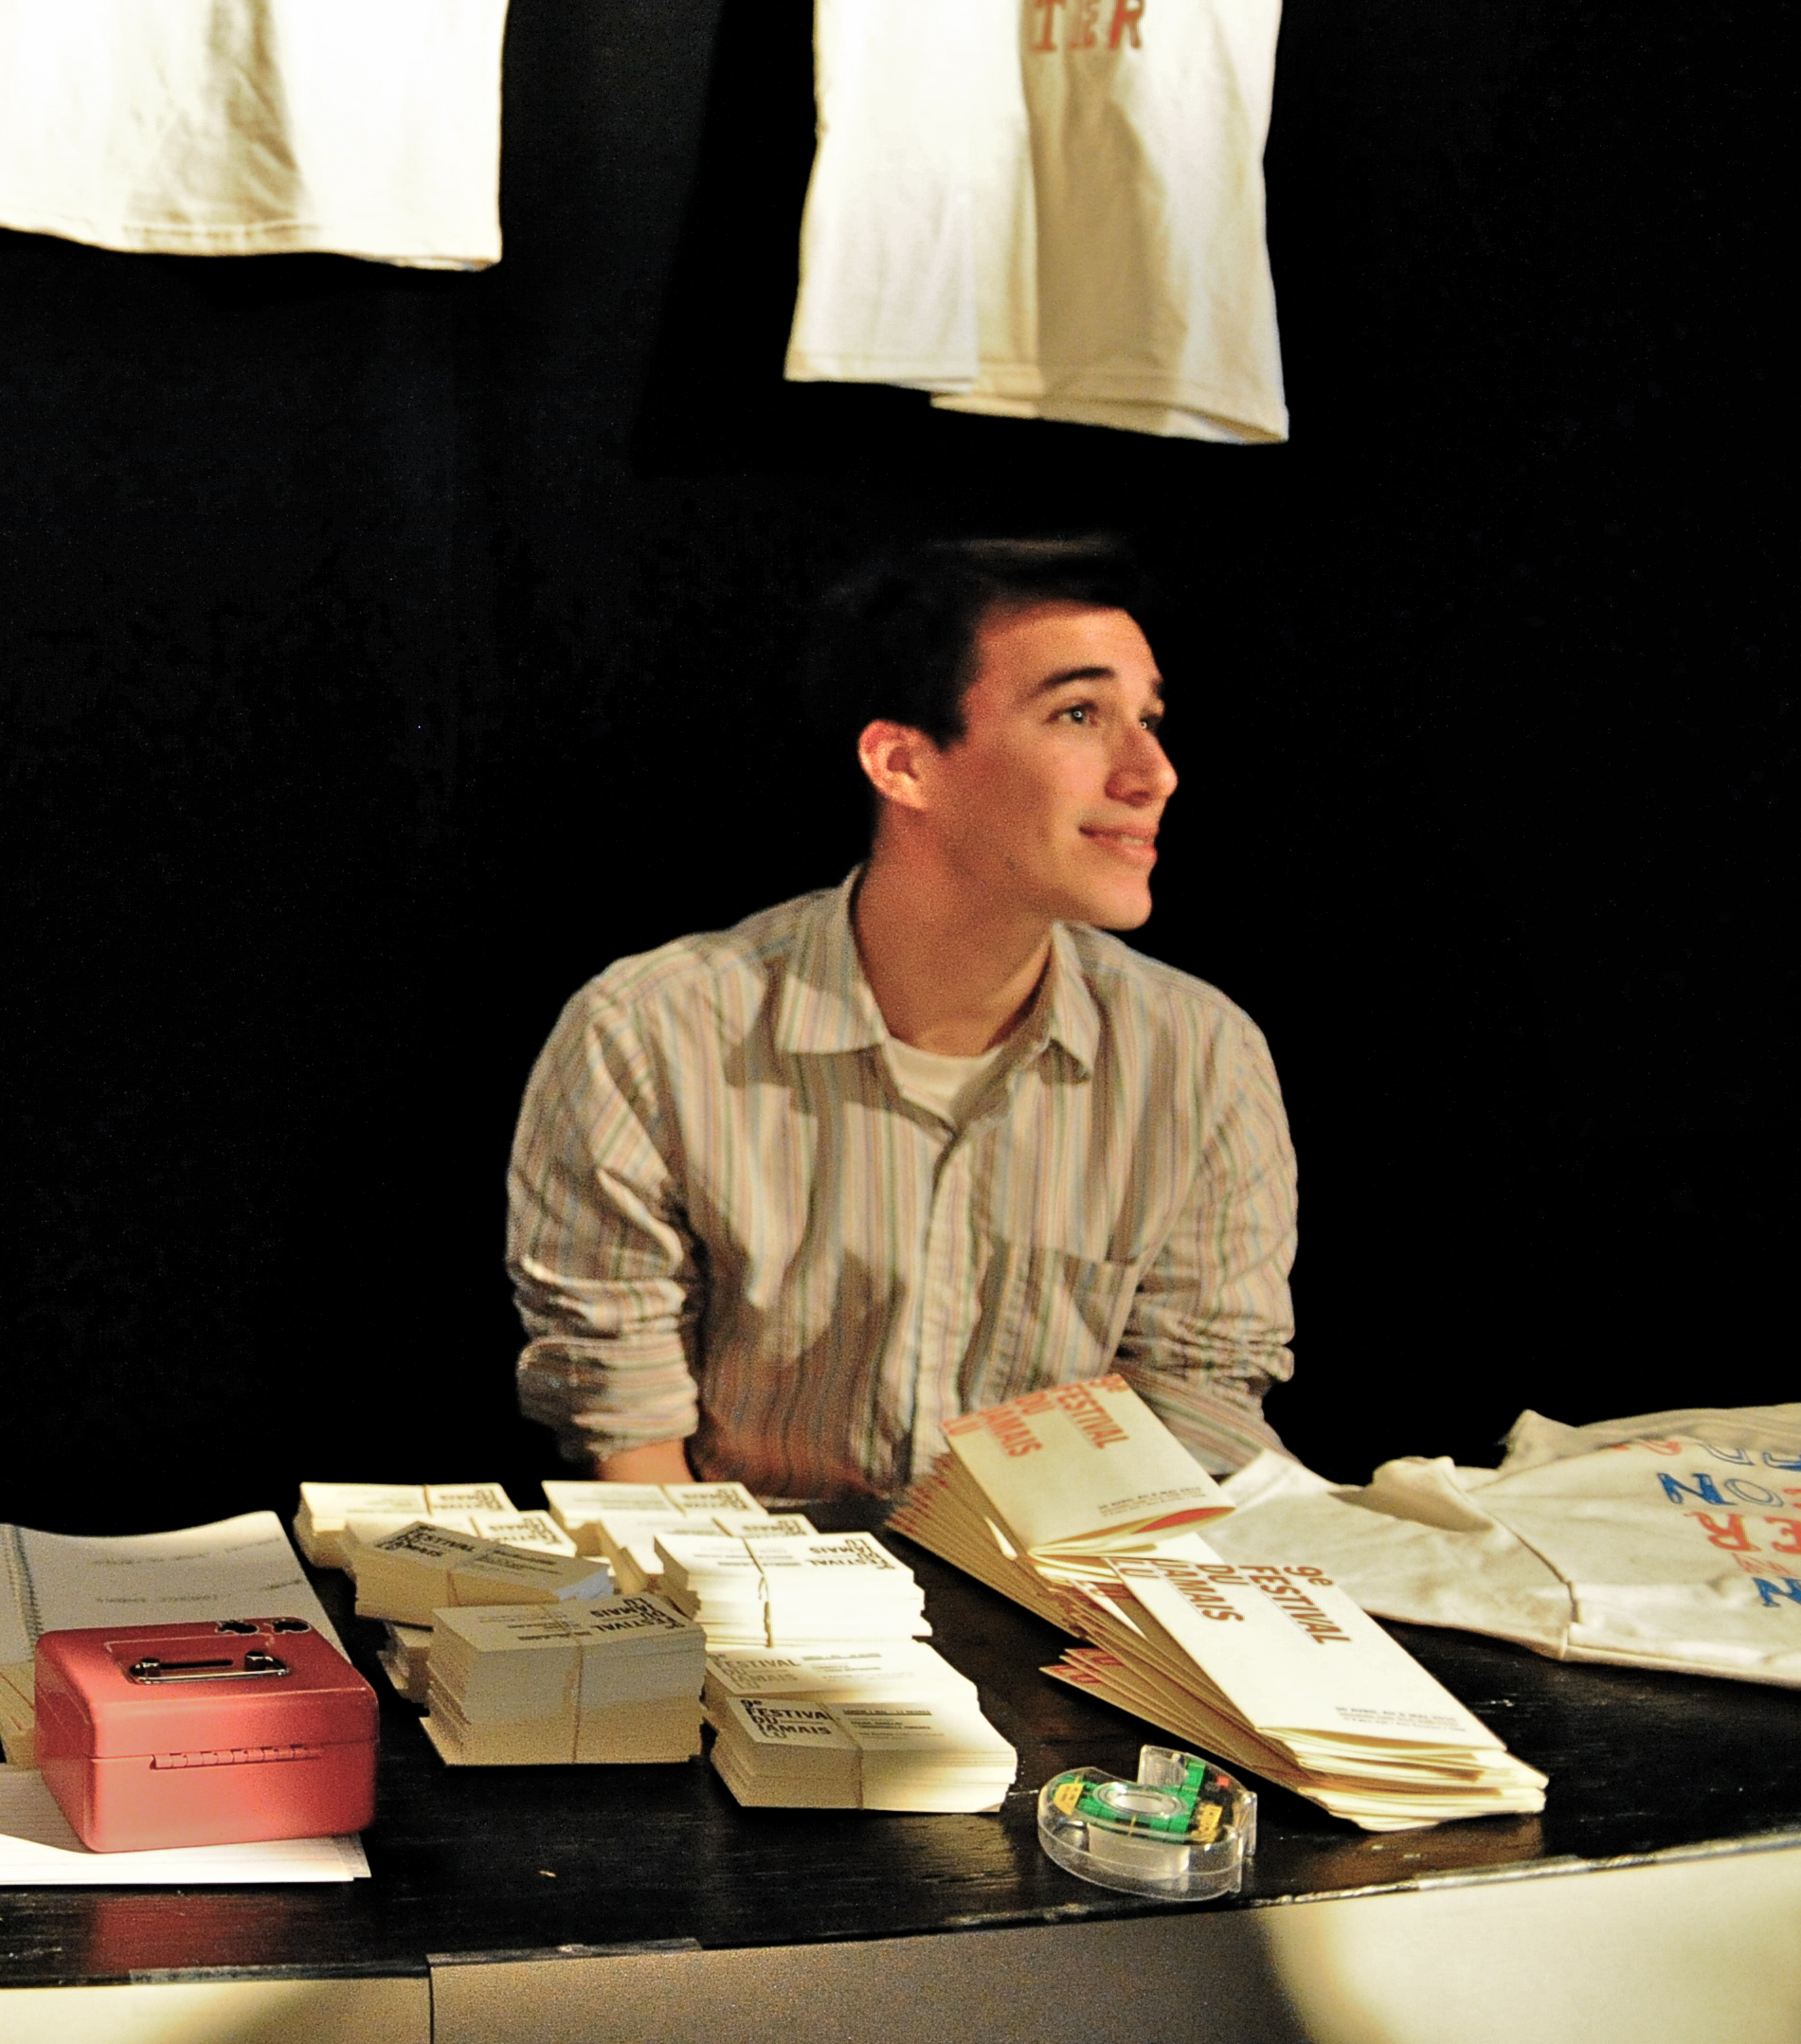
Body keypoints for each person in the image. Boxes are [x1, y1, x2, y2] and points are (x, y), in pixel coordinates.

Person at [505, 537, 1294, 1501]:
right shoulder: (647, 1033)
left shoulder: (1199, 1054)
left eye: (1150, 720)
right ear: (903, 764)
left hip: (1066, 1572)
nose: (1152, 772)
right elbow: (624, 1422)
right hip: (745, 1567)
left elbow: (1194, 1410)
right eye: (1080, 714)